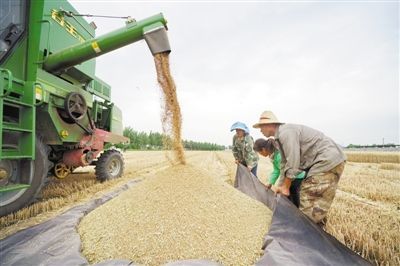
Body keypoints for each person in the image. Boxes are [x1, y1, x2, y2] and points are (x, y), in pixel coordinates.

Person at [253, 111, 346, 225]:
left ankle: (307, 235)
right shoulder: (280, 137)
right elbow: (283, 164)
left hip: (325, 160)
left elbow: (293, 161)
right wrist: (281, 186)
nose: (260, 130)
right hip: (330, 159)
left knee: (308, 202)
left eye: (261, 127)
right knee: (317, 205)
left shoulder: (286, 133)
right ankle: (317, 231)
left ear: (269, 124)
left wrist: (286, 187)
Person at [253, 138, 305, 208]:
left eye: (259, 152)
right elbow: (276, 170)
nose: (260, 154)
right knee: (287, 195)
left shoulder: (279, 155)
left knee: (293, 196)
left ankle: (295, 212)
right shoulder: (273, 155)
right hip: (289, 177)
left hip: (296, 176)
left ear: (263, 149)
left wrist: (280, 186)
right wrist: (270, 182)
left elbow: (284, 172)